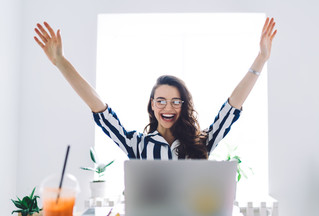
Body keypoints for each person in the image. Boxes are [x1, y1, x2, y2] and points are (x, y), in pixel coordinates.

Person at [34, 18, 277, 160]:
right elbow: (99, 107)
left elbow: (232, 107)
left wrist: (261, 59)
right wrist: (61, 63)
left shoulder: (202, 142)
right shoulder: (137, 145)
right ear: (152, 104)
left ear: (183, 105)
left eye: (175, 101)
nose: (168, 107)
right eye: (161, 100)